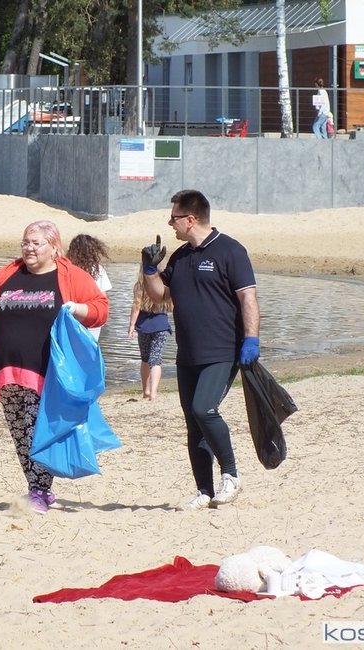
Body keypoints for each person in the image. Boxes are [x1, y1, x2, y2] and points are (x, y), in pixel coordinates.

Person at [0, 220, 109, 514]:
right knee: (20, 433)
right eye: (25, 242)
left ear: (54, 247)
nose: (29, 248)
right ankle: (38, 487)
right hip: (6, 370)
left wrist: (79, 309)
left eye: (36, 243)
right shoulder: (8, 274)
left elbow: (100, 308)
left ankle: (39, 491)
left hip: (48, 372)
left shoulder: (71, 276)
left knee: (36, 430)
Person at [141, 189, 260, 511]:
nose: (170, 224)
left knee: (204, 409)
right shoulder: (180, 256)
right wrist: (149, 270)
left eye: (174, 218)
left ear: (191, 219)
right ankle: (204, 491)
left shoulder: (230, 250)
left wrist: (251, 340)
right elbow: (160, 296)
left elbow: (248, 298)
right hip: (188, 353)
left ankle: (231, 475)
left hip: (222, 350)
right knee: (193, 422)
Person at [127, 269, 172, 400]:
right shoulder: (164, 285)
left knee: (145, 359)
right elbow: (172, 305)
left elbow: (136, 306)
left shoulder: (140, 285)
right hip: (161, 326)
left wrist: (131, 325)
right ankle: (153, 393)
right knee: (156, 359)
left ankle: (146, 391)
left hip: (144, 326)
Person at [66, 234, 112, 341]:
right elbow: (104, 296)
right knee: (90, 345)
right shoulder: (98, 269)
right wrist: (104, 316)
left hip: (72, 314)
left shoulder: (68, 269)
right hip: (91, 313)